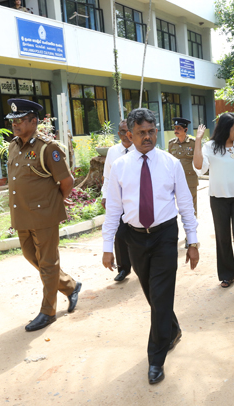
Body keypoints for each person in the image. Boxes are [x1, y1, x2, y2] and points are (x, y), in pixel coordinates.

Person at [102, 108, 199, 385]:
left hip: (165, 236)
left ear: (157, 131)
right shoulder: (120, 167)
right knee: (153, 295)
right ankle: (173, 329)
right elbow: (114, 210)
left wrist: (192, 241)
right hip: (134, 237)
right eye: (141, 132)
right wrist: (108, 245)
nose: (147, 137)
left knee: (160, 294)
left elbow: (186, 204)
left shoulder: (170, 163)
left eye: (151, 131)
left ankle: (156, 359)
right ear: (129, 134)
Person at [6, 98, 81, 332]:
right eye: (13, 121)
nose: (15, 125)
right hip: (22, 216)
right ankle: (70, 286)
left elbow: (67, 181)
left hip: (44, 216)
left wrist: (55, 201)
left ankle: (47, 312)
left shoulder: (48, 148)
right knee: (32, 258)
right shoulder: (13, 146)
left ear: (33, 121)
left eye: (19, 120)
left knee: (48, 264)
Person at [193, 113, 234, 289]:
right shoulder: (210, 146)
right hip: (218, 198)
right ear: (225, 128)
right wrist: (198, 140)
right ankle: (227, 275)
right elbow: (199, 166)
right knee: (223, 237)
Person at [100, 120, 135, 282]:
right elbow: (107, 177)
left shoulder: (141, 150)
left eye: (128, 132)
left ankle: (142, 264)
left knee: (138, 234)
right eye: (121, 132)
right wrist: (104, 195)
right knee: (120, 234)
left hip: (137, 200)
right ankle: (123, 268)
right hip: (118, 200)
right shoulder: (113, 152)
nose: (125, 136)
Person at [168, 117, 198, 215]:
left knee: (192, 203)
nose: (176, 131)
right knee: (176, 201)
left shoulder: (193, 143)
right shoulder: (171, 144)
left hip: (190, 177)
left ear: (185, 130)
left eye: (179, 128)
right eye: (175, 128)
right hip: (175, 178)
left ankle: (193, 222)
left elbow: (198, 159)